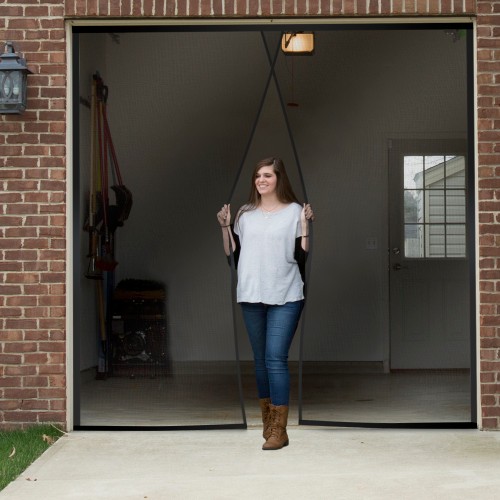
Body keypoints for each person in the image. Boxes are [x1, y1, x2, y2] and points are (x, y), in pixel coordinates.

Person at [217, 157, 314, 451]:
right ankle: (268, 424)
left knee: (274, 358)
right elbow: (233, 253)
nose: (261, 180)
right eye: (258, 176)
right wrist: (225, 227)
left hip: (285, 292)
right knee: (260, 361)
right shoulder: (245, 213)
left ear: (278, 179)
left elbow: (303, 253)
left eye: (267, 175)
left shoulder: (294, 211)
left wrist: (305, 226)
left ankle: (280, 431)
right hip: (250, 294)